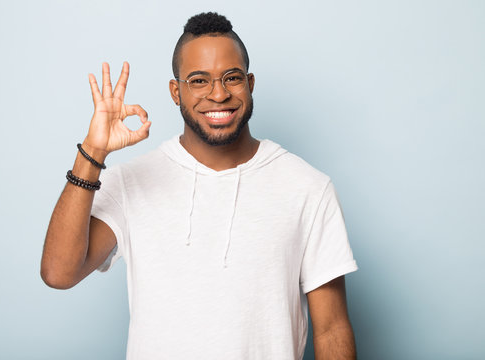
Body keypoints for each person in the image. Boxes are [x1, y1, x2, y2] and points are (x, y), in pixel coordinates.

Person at [41, 12, 358, 360]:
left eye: (232, 78)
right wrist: (93, 151)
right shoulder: (131, 183)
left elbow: (331, 329)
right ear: (176, 92)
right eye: (199, 81)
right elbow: (59, 273)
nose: (218, 94)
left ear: (250, 84)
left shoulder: (308, 188)